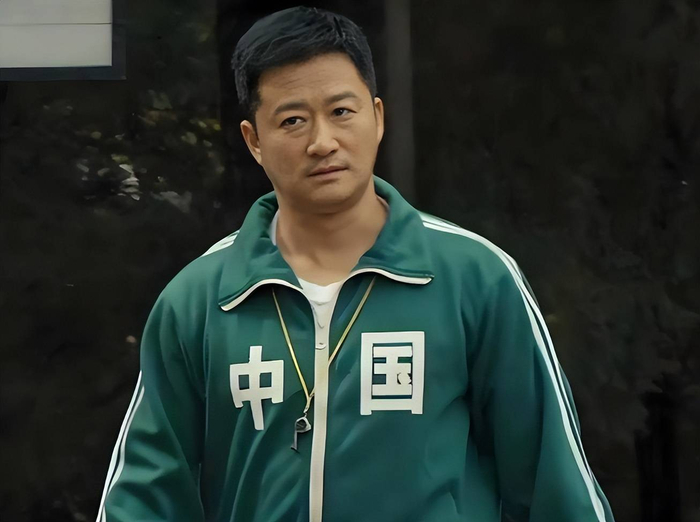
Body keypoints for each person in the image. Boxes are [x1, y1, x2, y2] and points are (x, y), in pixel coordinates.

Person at [96, 6, 616, 522]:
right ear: (254, 141)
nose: (322, 142)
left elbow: (554, 485)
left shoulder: (474, 277)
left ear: (378, 117)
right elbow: (144, 496)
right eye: (293, 121)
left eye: (342, 112)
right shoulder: (200, 299)